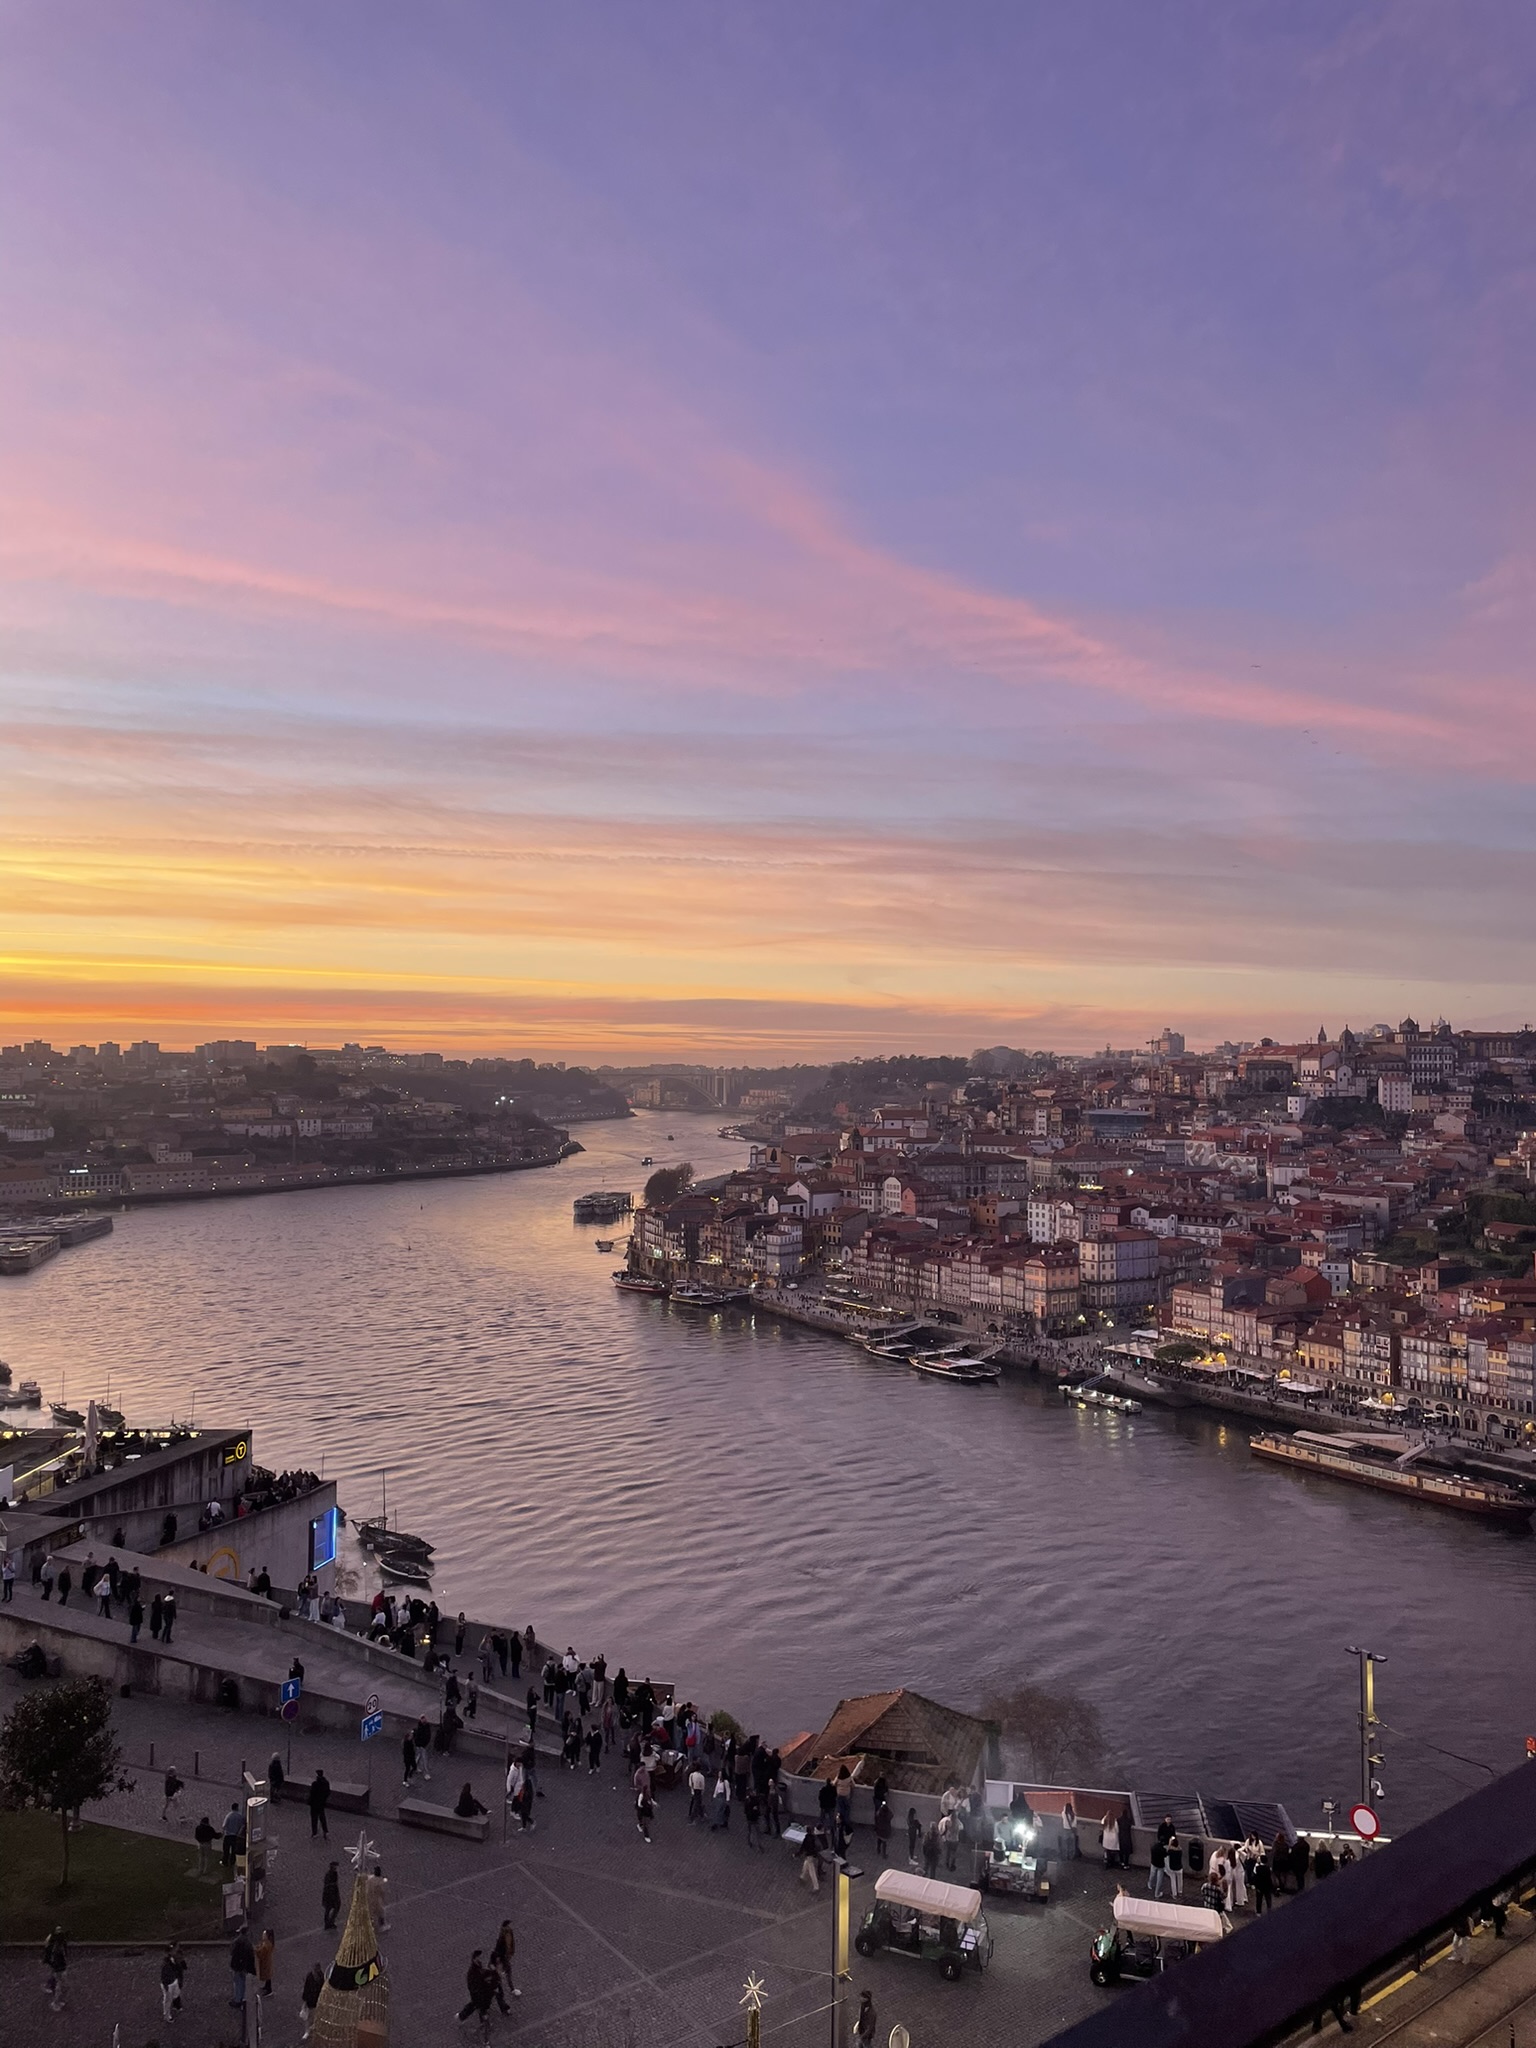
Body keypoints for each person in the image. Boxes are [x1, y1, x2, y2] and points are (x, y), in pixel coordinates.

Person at [457, 1950, 497, 2039]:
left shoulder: (478, 1967)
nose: (481, 1959)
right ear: (474, 1959)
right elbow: (475, 1987)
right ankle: (485, 2037)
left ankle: (462, 2016)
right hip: (479, 1994)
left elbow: (483, 1974)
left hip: (481, 1993)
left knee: (475, 2005)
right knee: (479, 2007)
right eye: (479, 1957)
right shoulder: (472, 1972)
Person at [491, 1918, 522, 2001]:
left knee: (503, 1973)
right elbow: (505, 1948)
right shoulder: (503, 1939)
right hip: (501, 1958)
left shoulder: (503, 1936)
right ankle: (510, 1989)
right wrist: (505, 1957)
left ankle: (508, 1988)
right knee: (503, 1973)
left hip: (501, 1958)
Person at [159, 1941, 187, 2022]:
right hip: (168, 1983)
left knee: (176, 1994)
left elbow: (182, 1966)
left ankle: (176, 2005)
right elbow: (164, 1975)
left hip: (175, 1980)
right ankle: (167, 2016)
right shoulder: (166, 1962)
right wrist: (166, 1985)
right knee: (167, 2000)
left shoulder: (177, 1957)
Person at [229, 1927, 256, 2011]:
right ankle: (243, 1999)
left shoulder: (237, 1941)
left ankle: (238, 2000)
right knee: (243, 1982)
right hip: (245, 1966)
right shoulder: (248, 1943)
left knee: (238, 1982)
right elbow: (251, 1956)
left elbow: (232, 1952)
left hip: (237, 1965)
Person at [42, 1926, 68, 2011]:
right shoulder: (57, 1948)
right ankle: (56, 2002)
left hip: (59, 1967)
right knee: (60, 1985)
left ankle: (56, 2000)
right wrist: (59, 1968)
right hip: (59, 1968)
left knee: (60, 1984)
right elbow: (56, 1958)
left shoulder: (57, 1945)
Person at [300, 1960, 325, 2040]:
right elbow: (306, 1989)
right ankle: (307, 2031)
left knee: (314, 2017)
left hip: (316, 2000)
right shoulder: (311, 1976)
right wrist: (305, 2001)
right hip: (311, 2000)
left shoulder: (321, 1977)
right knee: (308, 2017)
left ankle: (311, 2031)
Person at [309, 1767, 331, 1838]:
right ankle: (325, 1831)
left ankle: (314, 1833)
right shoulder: (326, 1783)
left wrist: (310, 1801)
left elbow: (312, 1794)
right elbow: (328, 1792)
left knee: (314, 1818)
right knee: (322, 1817)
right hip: (321, 1803)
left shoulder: (315, 1784)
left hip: (314, 1804)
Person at [367, 1862, 390, 1932]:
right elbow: (382, 1891)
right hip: (376, 1899)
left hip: (369, 1897)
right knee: (380, 1912)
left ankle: (370, 1925)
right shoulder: (380, 1881)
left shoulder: (370, 1879)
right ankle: (381, 1926)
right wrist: (383, 1898)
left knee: (371, 1912)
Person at [221, 1801, 244, 1869]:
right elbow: (242, 1826)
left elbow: (224, 1826)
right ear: (237, 1808)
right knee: (234, 1850)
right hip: (235, 1836)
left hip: (228, 1835)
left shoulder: (229, 1815)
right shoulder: (240, 1816)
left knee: (226, 1850)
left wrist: (223, 1832)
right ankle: (232, 1862)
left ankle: (225, 1862)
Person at [254, 1927, 275, 1997]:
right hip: (268, 1962)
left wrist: (256, 1949)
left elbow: (261, 1954)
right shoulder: (269, 1943)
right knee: (268, 1977)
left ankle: (269, 1990)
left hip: (266, 1963)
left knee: (267, 1975)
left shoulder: (266, 1945)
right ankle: (267, 1987)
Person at [1148, 1829, 1168, 1898]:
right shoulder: (1162, 1849)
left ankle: (1150, 1884)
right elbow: (1165, 1855)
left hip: (1153, 1863)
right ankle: (1157, 1893)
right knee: (1159, 1880)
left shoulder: (1153, 1846)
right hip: (1160, 1865)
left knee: (1152, 1874)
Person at [322, 1861, 341, 1930]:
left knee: (329, 1908)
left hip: (328, 1893)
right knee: (334, 1907)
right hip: (331, 1894)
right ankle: (330, 1923)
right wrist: (335, 1895)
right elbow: (333, 1885)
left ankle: (328, 1923)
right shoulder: (333, 1874)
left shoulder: (330, 1873)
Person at [1166, 1831, 1185, 1899]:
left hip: (1172, 1868)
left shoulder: (1171, 1851)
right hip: (1179, 1867)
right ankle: (1180, 1892)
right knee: (1180, 1880)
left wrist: (1170, 1842)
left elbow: (1167, 1850)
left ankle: (1174, 1894)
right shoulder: (1180, 1850)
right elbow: (1178, 1846)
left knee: (1173, 1881)